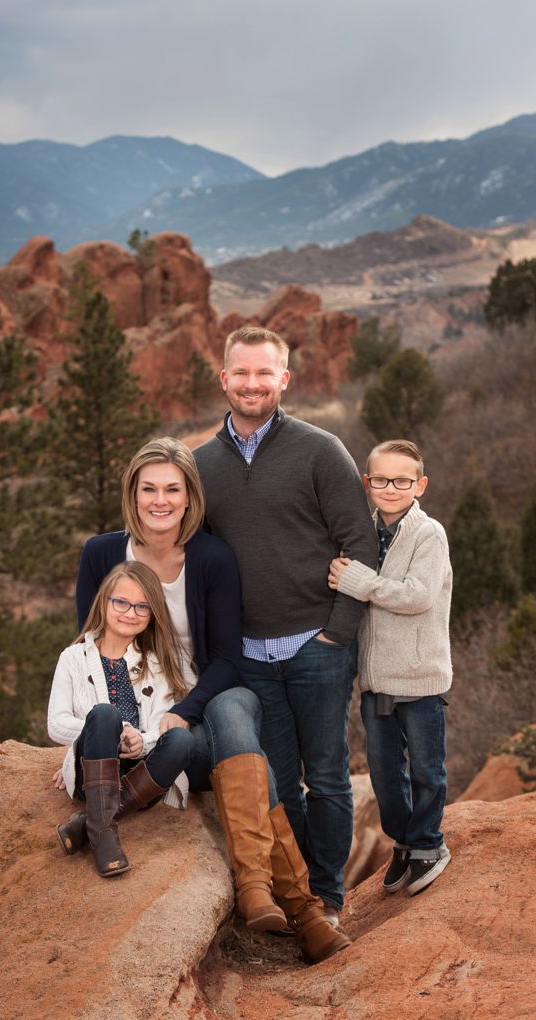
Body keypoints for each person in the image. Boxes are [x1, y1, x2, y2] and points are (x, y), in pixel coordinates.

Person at [73, 437, 347, 962]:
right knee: (256, 758)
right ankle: (302, 908)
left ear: (189, 495)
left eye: (172, 489)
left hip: (197, 713)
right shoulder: (102, 554)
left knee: (235, 706)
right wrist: (102, 736)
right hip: (143, 732)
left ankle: (257, 891)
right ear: (132, 493)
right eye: (148, 488)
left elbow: (224, 658)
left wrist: (183, 711)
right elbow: (91, 649)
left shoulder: (212, 557)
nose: (160, 500)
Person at [194, 325, 379, 920]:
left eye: (263, 373)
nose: (252, 384)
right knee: (276, 782)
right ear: (224, 379)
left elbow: (360, 541)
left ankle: (328, 896)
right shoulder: (200, 465)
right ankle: (294, 895)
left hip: (315, 647)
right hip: (248, 653)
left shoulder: (320, 450)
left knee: (326, 775)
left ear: (284, 379)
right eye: (241, 373)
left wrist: (339, 632)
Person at [328, 439, 452, 896]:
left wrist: (360, 582)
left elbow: (418, 595)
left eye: (402, 481)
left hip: (420, 676)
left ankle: (428, 843)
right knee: (384, 772)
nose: (390, 488)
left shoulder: (428, 534)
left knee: (425, 767)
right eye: (380, 479)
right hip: (376, 678)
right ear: (368, 482)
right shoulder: (363, 531)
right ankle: (404, 840)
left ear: (420, 485)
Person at [48, 560, 195, 876]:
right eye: (122, 603)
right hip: (95, 767)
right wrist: (110, 729)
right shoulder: (73, 658)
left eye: (143, 607)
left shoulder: (156, 663)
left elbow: (161, 722)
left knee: (182, 740)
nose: (131, 613)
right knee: (104, 715)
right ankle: (103, 836)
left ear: (153, 613)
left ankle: (91, 823)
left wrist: (142, 739)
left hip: (141, 770)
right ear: (104, 602)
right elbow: (56, 723)